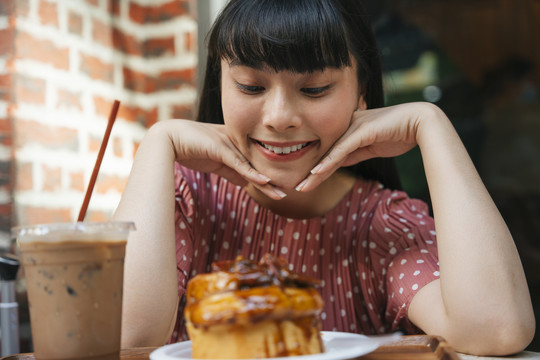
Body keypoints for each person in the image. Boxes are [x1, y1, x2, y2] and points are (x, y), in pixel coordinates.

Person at [113, 0, 535, 355]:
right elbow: (124, 338)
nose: (279, 118)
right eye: (249, 86)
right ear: (219, 85)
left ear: (360, 92)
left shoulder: (381, 226)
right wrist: (158, 142)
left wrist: (432, 126)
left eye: (314, 89)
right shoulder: (188, 201)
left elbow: (496, 330)